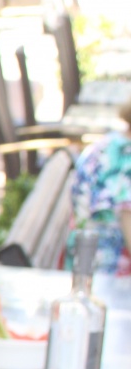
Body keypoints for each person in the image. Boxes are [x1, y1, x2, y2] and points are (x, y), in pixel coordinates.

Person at [69, 97, 131, 274]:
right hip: (108, 270)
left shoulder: (109, 143)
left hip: (83, 259)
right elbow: (128, 218)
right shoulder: (125, 159)